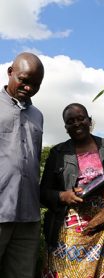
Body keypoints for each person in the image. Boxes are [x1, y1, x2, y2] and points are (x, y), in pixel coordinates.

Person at [40, 103, 104, 278]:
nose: (76, 124)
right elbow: (42, 193)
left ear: (89, 121)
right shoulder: (58, 153)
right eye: (70, 121)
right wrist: (63, 196)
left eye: (81, 119)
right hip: (71, 229)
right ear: (65, 127)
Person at [0, 52, 44, 278]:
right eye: (24, 80)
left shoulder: (38, 115)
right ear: (10, 72)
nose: (28, 88)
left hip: (28, 214)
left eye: (35, 84)